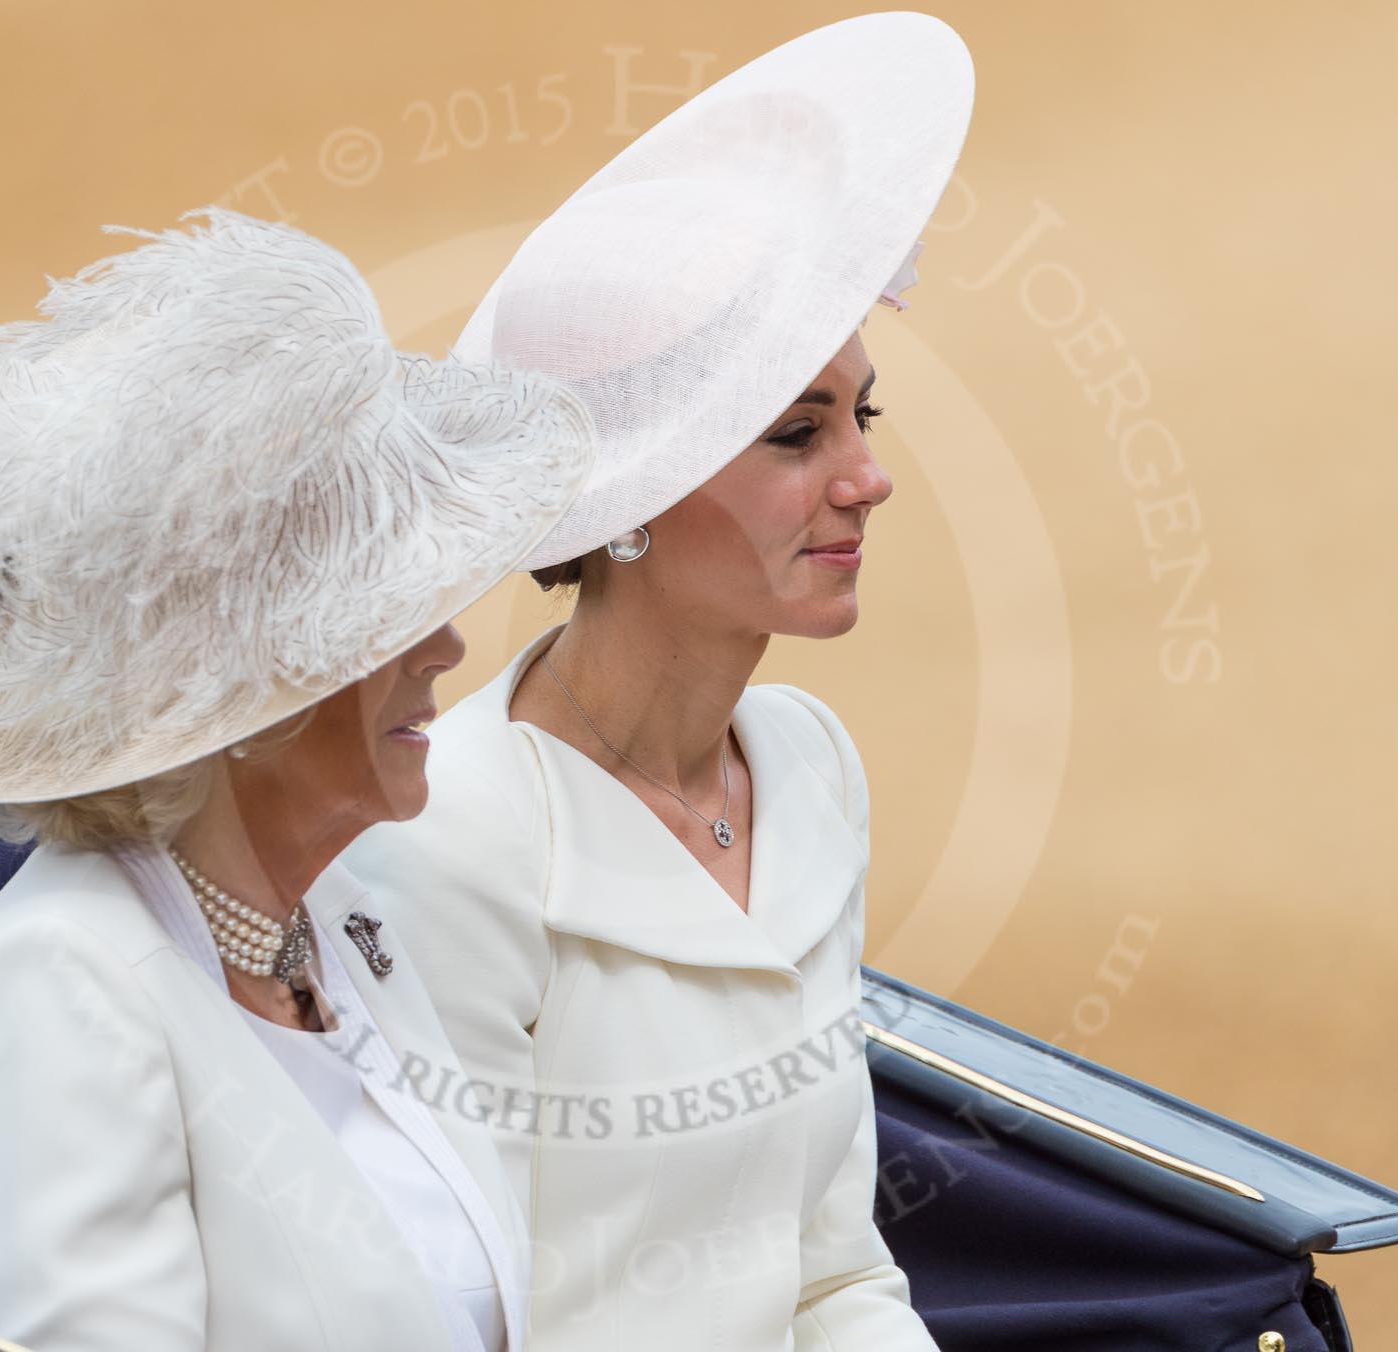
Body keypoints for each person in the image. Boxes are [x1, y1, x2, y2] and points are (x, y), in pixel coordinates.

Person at [341, 14, 973, 1350]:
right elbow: (469, 1321)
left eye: (861, 417)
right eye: (796, 433)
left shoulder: (809, 766)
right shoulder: (446, 838)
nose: (868, 477)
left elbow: (832, 1276)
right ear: (631, 493)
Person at [0, 207, 595, 1351]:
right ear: (242, 698)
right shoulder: (60, 989)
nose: (447, 644)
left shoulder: (343, 920)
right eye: (384, 618)